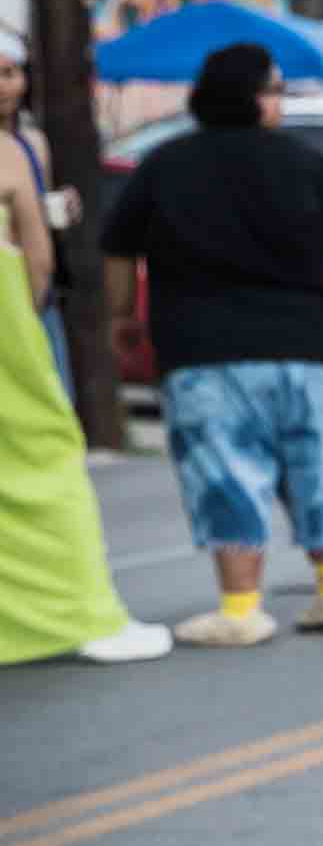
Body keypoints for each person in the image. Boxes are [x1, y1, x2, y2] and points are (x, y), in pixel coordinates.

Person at [101, 42, 323, 650]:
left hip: (204, 353)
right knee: (319, 465)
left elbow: (117, 249)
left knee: (224, 474)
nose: (281, 101)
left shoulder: (164, 165)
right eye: (275, 90)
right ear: (252, 98)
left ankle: (241, 608)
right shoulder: (309, 164)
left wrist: (122, 317)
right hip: (307, 349)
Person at [0, 135, 170, 666]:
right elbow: (37, 259)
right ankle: (81, 613)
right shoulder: (11, 149)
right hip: (8, 326)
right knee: (45, 460)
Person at [0, 28, 79, 398]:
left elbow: (35, 221)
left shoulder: (33, 144)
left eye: (9, 74)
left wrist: (59, 208)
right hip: (8, 300)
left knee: (52, 404)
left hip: (37, 299)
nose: (3, 87)